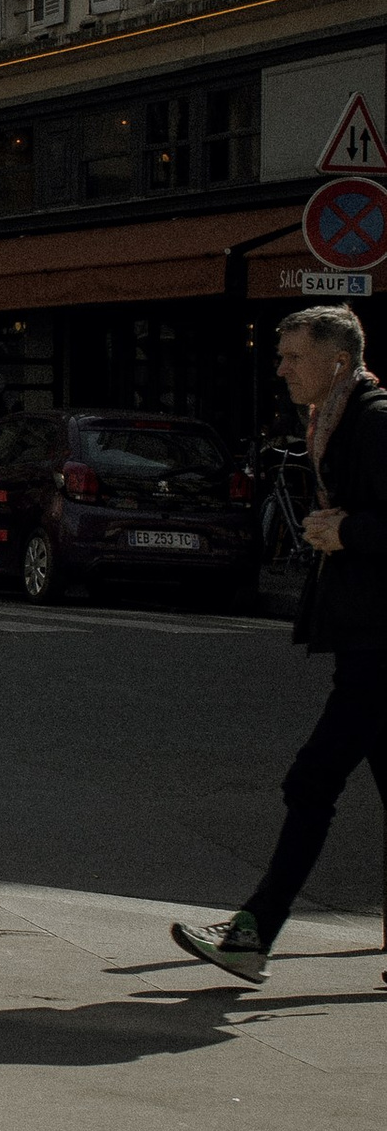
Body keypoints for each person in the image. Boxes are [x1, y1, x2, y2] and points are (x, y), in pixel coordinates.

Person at [173, 304, 387, 982]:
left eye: (294, 356)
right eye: (281, 355)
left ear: (338, 361)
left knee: (312, 779)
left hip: (382, 640)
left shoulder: (374, 423)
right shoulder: (334, 419)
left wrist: (344, 532)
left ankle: (253, 931)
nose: (282, 369)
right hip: (366, 636)